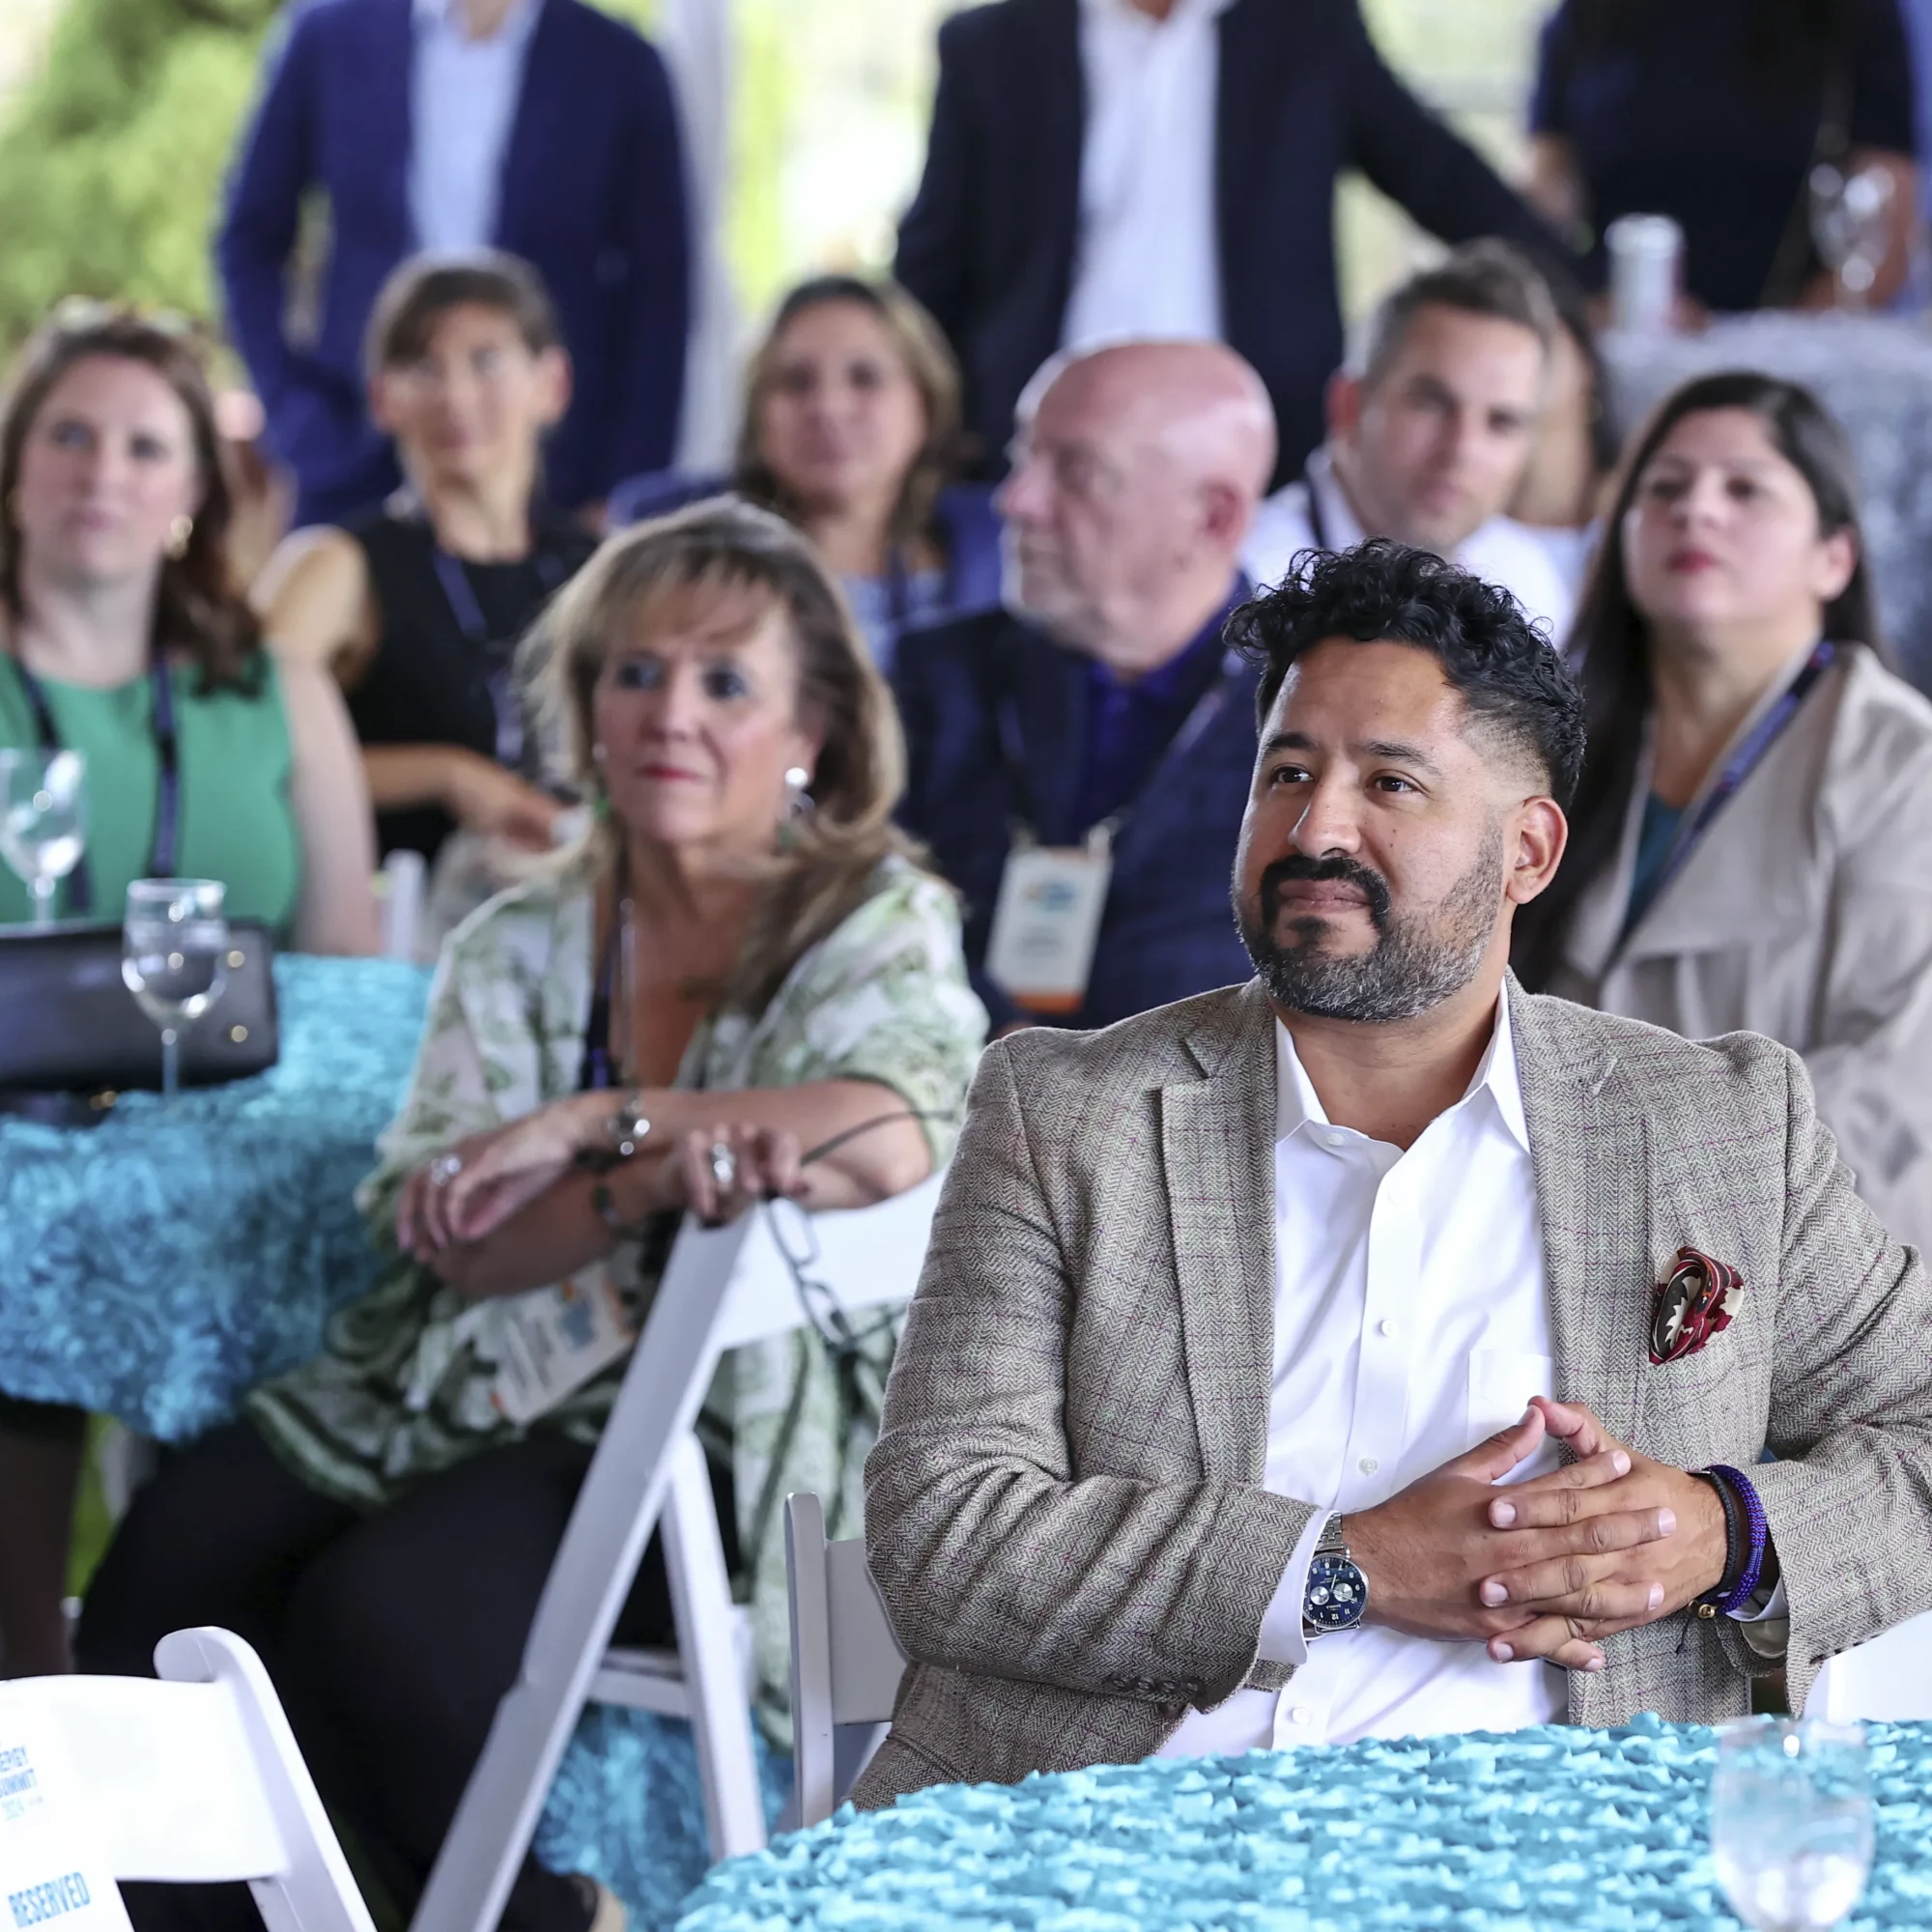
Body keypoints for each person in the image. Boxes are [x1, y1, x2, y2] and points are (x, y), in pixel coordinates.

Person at [859, 539, 1932, 1805]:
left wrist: (1721, 1534)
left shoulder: (1720, 1125)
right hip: (1115, 1831)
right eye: (1289, 772)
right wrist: (1340, 1567)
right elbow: (941, 1529)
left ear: (1529, 852)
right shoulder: (1070, 1112)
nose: (1317, 827)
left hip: (1555, 1847)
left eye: (1392, 783)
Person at [75, 499, 986, 1932]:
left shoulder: (869, 916)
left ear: (810, 728)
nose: (669, 713)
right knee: (161, 1579)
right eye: (633, 672)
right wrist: (640, 1177)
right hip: (467, 1377)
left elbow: (889, 1131)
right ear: (583, 707)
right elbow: (465, 1242)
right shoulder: (525, 934)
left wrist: (588, 1125)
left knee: (377, 1625)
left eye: (723, 681)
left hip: (725, 1440)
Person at [0, 307, 379, 1680]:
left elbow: (348, 978)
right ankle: (29, 1717)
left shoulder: (273, 687)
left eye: (144, 445)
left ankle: (215, 1713)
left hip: (235, 1168)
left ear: (190, 493)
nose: (104, 470)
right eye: (70, 434)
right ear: (16, 465)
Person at [1512, 371, 1932, 1255]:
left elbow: (1902, 1080)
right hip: (1543, 1246)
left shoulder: (1903, 764)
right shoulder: (1544, 749)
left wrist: (1632, 1174)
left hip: (1797, 1279)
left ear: (1836, 557)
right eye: (1663, 487)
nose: (1696, 510)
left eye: (1745, 488)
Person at [895, 0, 1576, 490]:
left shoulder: (1306, 28)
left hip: (1253, 443)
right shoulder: (992, 44)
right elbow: (933, 258)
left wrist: (1585, 287)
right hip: (1035, 445)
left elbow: (1438, 174)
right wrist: (924, 420)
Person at [894, 338, 1274, 1033]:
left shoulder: (1309, 713)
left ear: (1212, 517)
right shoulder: (930, 681)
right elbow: (855, 917)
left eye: (1076, 472)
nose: (1015, 500)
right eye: (1022, 457)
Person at [217, 0, 689, 528]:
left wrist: (628, 483)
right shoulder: (327, 34)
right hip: (353, 449)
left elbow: (660, 290)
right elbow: (249, 237)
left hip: (552, 474)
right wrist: (290, 410)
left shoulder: (620, 62)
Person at [255, 253, 599, 867]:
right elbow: (239, 750)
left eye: (486, 361)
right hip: (391, 925)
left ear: (553, 385)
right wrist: (446, 776)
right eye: (422, 367)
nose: (456, 395)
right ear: (383, 399)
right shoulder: (337, 565)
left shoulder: (599, 567)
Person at [608, 276, 1002, 674]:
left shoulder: (1006, 546)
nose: (828, 407)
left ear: (926, 402)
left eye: (865, 377)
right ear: (756, 411)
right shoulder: (667, 543)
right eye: (796, 382)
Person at [1243, 241, 1577, 646]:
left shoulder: (1528, 584)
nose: (1462, 449)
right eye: (1431, 404)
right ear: (1348, 406)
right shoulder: (1250, 584)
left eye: (1501, 422)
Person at [1529, 0, 1918, 315]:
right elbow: (1542, 205)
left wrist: (1766, 355)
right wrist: (1588, 306)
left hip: (1790, 352)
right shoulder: (1586, 14)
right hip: (1627, 340)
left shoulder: (1854, 16)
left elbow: (1883, 231)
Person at [1505, 270, 1615, 611]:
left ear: (1588, 362)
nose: (1514, 353)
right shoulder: (1452, 532)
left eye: (1535, 328)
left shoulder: (1647, 504)